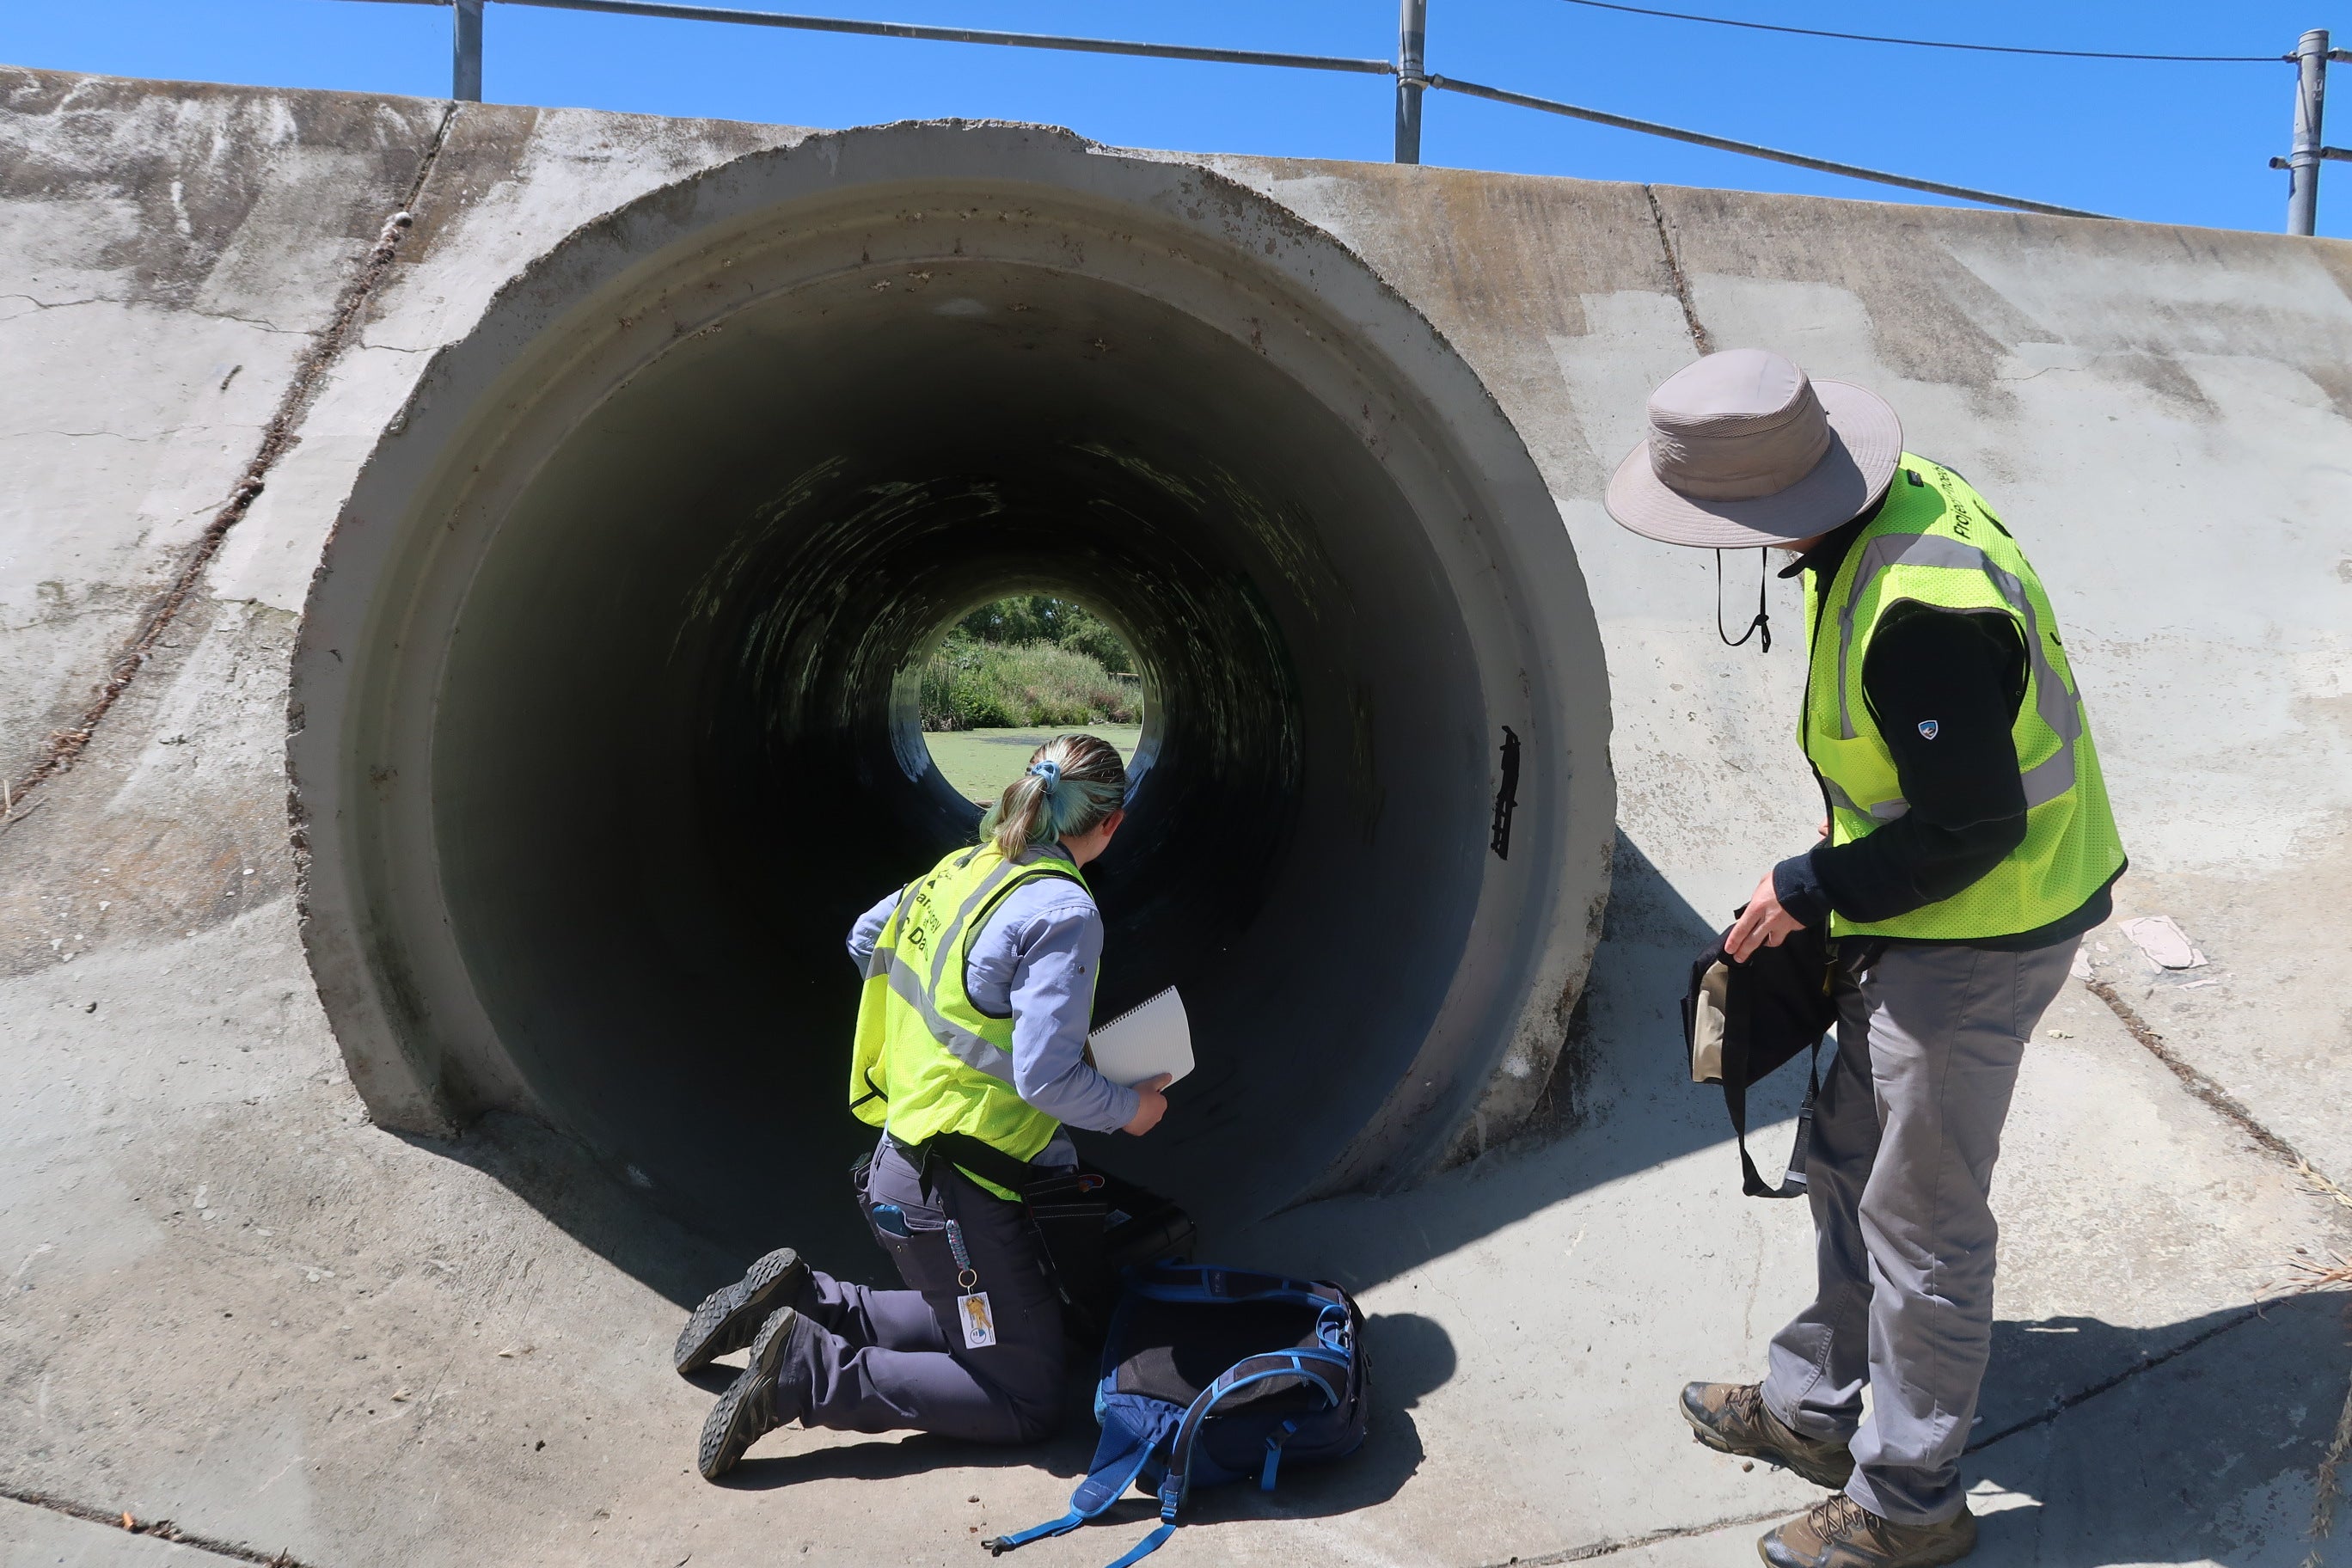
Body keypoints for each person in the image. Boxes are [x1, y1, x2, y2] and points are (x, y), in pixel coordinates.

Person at [1603, 349, 2126, 1567]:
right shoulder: (1884, 506)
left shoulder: (1916, 613)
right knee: (1843, 1157)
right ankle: (1815, 1410)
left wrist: (1811, 887)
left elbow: (1976, 827)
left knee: (1923, 1220)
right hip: (1920, 912)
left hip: (1984, 926)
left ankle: (1908, 1506)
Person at [673, 732, 1174, 1480]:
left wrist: (952, 1034)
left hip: (903, 1160)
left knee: (1000, 1324)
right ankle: (806, 1375)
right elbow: (1044, 1079)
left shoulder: (966, 865)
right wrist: (1131, 1109)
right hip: (964, 1188)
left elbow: (864, 940)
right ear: (1113, 822)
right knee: (1028, 1395)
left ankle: (807, 1299)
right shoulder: (1065, 910)